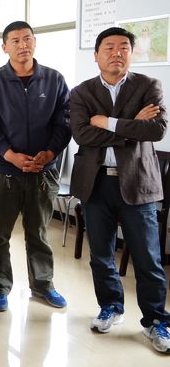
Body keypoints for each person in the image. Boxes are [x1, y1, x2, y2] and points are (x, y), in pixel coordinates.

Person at [69, 26, 170, 352]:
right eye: (109, 47)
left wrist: (107, 122)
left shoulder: (148, 86)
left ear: (131, 52)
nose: (117, 53)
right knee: (101, 255)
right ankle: (111, 306)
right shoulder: (81, 92)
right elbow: (82, 135)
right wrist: (131, 125)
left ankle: (156, 321)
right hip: (95, 183)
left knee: (148, 258)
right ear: (96, 55)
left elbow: (155, 130)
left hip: (138, 183)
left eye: (124, 47)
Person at [0, 20, 71, 312]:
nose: (22, 45)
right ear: (4, 47)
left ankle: (43, 285)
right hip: (4, 171)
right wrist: (10, 155)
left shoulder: (54, 80)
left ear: (35, 42)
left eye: (27, 39)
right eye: (15, 40)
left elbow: (65, 121)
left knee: (38, 232)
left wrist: (50, 152)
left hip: (43, 171)